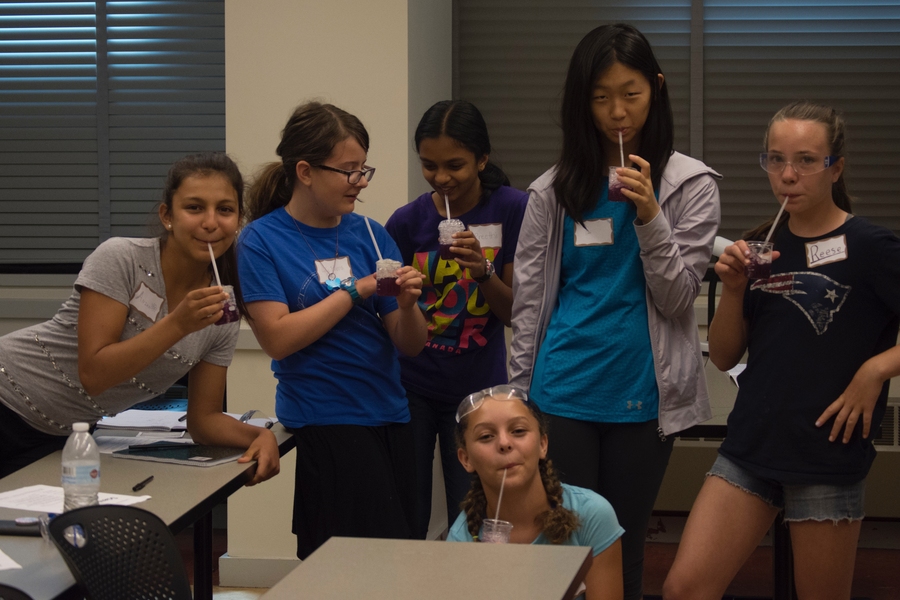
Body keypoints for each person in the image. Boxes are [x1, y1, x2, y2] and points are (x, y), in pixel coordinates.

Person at [508, 23, 721, 599]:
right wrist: (517, 394)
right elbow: (530, 301)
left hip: (643, 395)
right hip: (562, 389)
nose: (617, 112)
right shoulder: (552, 191)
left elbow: (678, 298)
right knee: (564, 548)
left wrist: (650, 213)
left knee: (620, 552)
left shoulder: (690, 185)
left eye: (631, 94)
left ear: (657, 89)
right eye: (600, 98)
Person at [663, 101, 900, 600]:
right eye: (775, 159)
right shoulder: (758, 247)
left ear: (835, 167)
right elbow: (726, 357)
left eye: (806, 160)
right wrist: (730, 289)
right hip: (751, 447)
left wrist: (876, 370)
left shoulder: (871, 246)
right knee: (685, 588)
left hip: (826, 453)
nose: (788, 175)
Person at [0, 152, 281, 482]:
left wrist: (259, 436)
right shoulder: (121, 259)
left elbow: (203, 420)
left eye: (225, 210)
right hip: (7, 396)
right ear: (168, 216)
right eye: (194, 208)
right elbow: (94, 373)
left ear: (239, 218)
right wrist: (177, 324)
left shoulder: (223, 312)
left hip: (62, 434)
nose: (210, 222)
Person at [237, 101, 428, 559]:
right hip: (327, 418)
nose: (359, 182)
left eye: (364, 169)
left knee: (400, 561)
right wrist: (357, 290)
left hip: (391, 414)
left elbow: (411, 344)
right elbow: (277, 337)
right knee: (344, 570)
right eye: (348, 171)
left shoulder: (371, 233)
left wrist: (407, 304)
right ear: (305, 171)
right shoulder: (260, 240)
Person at [385, 100, 528, 538]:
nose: (442, 178)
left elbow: (512, 313)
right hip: (411, 385)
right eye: (429, 166)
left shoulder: (511, 209)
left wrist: (482, 272)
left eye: (455, 165)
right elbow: (389, 316)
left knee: (474, 514)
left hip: (478, 391)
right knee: (406, 509)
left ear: (482, 160)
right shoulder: (407, 222)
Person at [448, 385, 625, 600]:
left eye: (518, 431)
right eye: (486, 436)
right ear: (466, 459)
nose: (504, 443)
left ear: (543, 444)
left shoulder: (592, 514)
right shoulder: (462, 538)